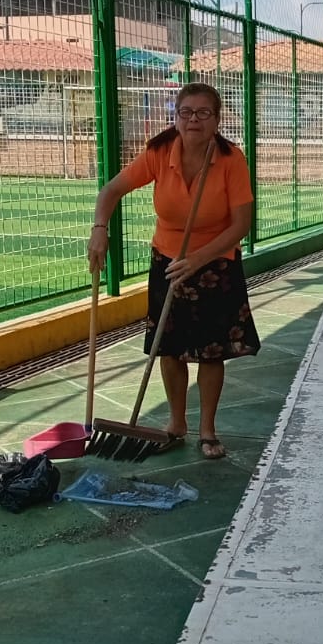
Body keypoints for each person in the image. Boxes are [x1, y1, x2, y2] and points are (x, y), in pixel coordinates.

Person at [87, 82, 260, 460]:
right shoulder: (159, 152)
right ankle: (176, 422)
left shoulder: (231, 159)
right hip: (167, 259)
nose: (194, 119)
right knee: (169, 347)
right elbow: (110, 191)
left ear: (217, 120)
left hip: (215, 263)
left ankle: (207, 429)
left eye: (203, 113)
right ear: (176, 117)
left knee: (212, 351)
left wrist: (198, 259)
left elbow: (241, 224)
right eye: (186, 112)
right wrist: (100, 230)